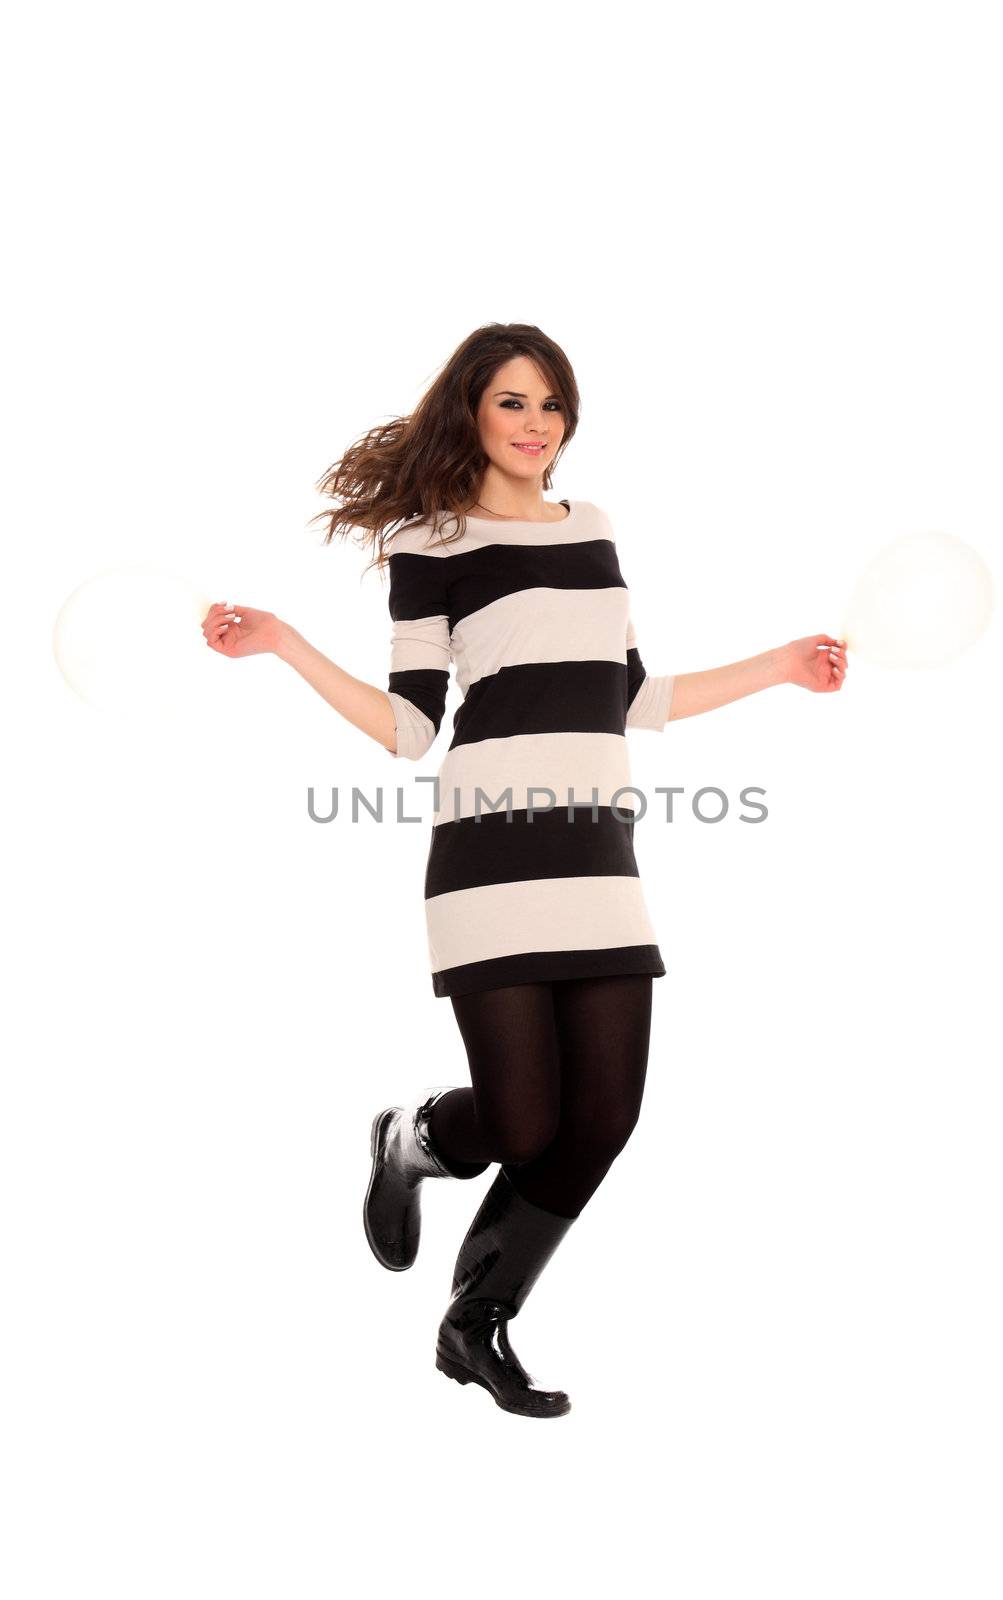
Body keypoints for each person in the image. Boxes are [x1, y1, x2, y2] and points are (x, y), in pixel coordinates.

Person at [201, 322, 848, 1419]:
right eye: (511, 401)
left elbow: (630, 696)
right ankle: (411, 1140)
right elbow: (410, 729)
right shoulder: (429, 541)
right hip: (488, 858)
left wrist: (781, 668)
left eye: (550, 403)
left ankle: (477, 1323)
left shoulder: (590, 526)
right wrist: (288, 645)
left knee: (601, 1116)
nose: (535, 422)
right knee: (521, 1119)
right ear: (471, 411)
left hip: (598, 855)